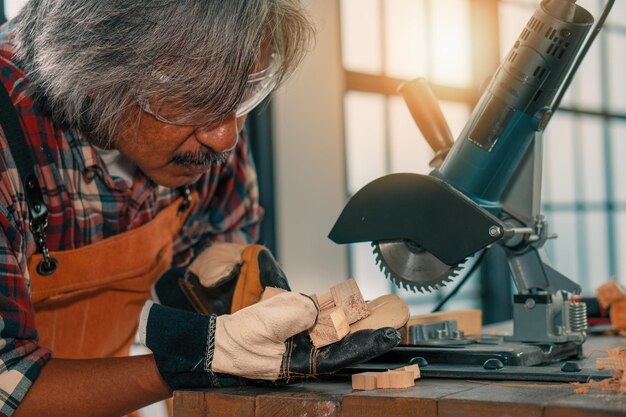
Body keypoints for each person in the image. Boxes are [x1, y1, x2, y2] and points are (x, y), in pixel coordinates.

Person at [0, 1, 400, 416]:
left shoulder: (203, 137)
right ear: (96, 72)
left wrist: (224, 294)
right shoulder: (7, 135)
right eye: (196, 99)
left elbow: (217, 286)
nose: (226, 137)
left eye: (241, 94)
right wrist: (193, 363)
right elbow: (6, 386)